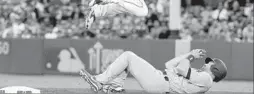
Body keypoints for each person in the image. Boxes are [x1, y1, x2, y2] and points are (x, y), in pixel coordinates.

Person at [80, 49, 227, 94]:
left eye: (210, 63)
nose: (206, 63)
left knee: (128, 56)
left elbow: (182, 68)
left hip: (162, 84)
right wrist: (189, 54)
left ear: (215, 69)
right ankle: (115, 88)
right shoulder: (201, 76)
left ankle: (99, 81)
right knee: (128, 61)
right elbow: (169, 65)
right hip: (162, 82)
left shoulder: (207, 79)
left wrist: (191, 57)